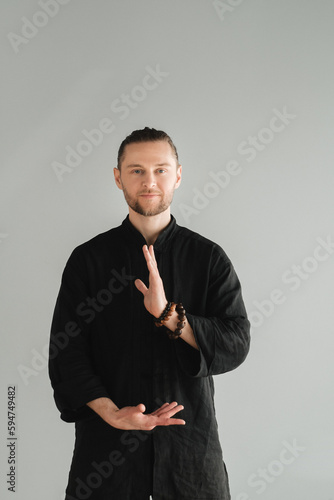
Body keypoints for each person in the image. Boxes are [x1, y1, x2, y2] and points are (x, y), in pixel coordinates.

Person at [49, 127, 251, 500]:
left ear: (178, 175)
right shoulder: (88, 261)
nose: (149, 181)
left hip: (191, 456)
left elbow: (236, 342)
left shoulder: (208, 259)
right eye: (136, 170)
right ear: (118, 177)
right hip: (105, 459)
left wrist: (170, 316)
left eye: (160, 169)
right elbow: (67, 355)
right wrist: (112, 413)